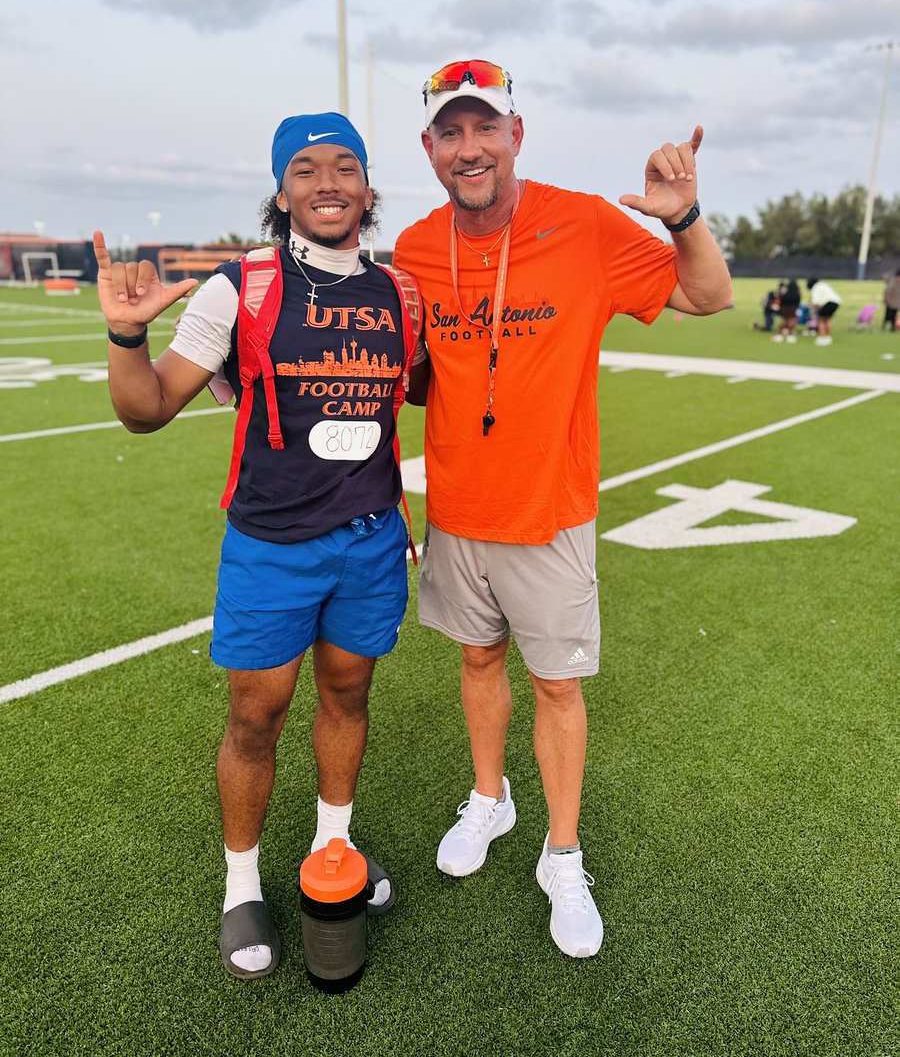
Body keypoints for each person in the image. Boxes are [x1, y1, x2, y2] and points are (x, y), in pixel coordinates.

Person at [394, 59, 732, 959]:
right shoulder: (419, 250)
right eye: (451, 132)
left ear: (517, 133)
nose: (471, 148)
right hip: (458, 508)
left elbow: (708, 295)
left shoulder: (582, 222)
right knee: (476, 659)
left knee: (555, 684)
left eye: (485, 128)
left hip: (549, 508)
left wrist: (684, 217)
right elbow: (403, 370)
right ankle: (491, 799)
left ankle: (562, 851)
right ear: (430, 148)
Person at [95, 112, 422, 980]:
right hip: (273, 546)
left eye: (344, 167)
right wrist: (127, 335)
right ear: (282, 193)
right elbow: (149, 407)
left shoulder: (401, 293)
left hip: (372, 542)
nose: (327, 184)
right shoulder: (242, 286)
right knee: (256, 715)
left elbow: (425, 390)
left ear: (367, 187)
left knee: (348, 698)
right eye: (306, 169)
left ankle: (333, 848)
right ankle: (242, 881)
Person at [806, 277, 842, 345]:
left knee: (821, 320)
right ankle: (828, 337)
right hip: (837, 302)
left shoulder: (815, 288)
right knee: (826, 319)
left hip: (828, 302)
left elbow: (815, 302)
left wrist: (813, 312)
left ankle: (823, 338)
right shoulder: (823, 284)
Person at [770, 278, 800, 343]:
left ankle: (780, 334)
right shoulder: (797, 293)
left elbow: (781, 299)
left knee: (784, 319)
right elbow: (798, 302)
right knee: (791, 320)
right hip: (793, 308)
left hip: (784, 308)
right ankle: (790, 335)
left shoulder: (786, 292)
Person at [882, 267, 900, 332]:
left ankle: (892, 328)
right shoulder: (893, 282)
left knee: (893, 316)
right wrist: (887, 300)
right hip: (891, 303)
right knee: (888, 316)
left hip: (896, 303)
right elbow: (888, 292)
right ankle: (884, 327)